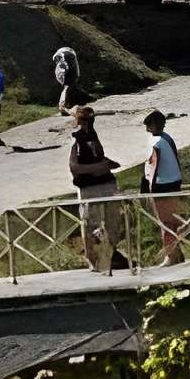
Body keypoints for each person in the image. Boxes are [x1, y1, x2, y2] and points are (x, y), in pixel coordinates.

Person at [69, 105, 126, 272]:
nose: (88, 123)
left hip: (106, 182)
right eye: (85, 120)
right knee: (90, 224)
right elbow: (74, 167)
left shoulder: (93, 135)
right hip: (89, 186)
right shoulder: (75, 139)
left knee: (113, 221)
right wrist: (98, 167)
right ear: (78, 121)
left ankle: (111, 253)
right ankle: (93, 261)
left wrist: (108, 163)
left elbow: (97, 155)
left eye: (91, 119)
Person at [142, 110, 184, 265]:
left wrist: (148, 189)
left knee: (165, 223)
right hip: (174, 182)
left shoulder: (156, 142)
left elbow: (153, 166)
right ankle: (177, 253)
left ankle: (171, 256)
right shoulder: (167, 138)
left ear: (153, 125)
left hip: (162, 185)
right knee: (173, 221)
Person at [51, 41, 81, 115]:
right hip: (68, 58)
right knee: (66, 87)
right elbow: (75, 67)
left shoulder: (61, 56)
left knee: (66, 87)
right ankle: (62, 106)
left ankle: (63, 106)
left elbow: (62, 64)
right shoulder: (66, 55)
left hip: (66, 58)